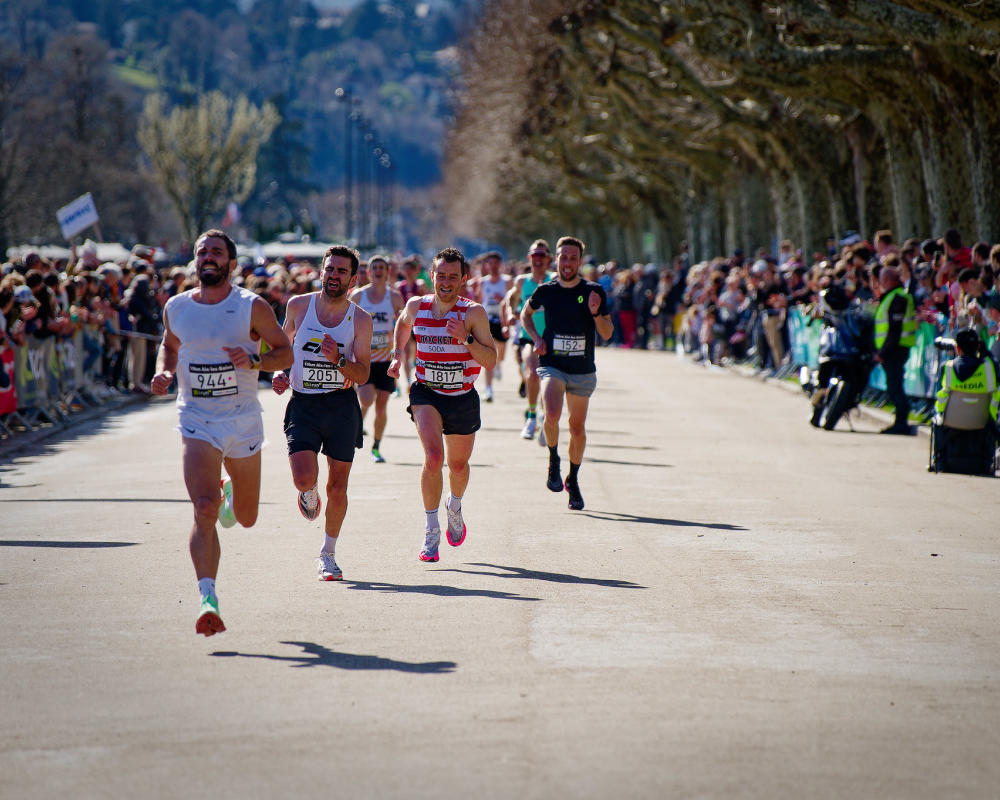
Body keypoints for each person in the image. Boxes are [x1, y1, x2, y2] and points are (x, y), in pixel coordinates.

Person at [151, 230, 293, 636]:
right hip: (196, 419)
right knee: (203, 509)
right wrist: (163, 371)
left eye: (217, 252)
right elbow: (170, 346)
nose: (208, 257)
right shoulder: (177, 306)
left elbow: (285, 352)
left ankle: (231, 491)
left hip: (243, 420)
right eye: (202, 252)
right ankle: (207, 597)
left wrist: (253, 358)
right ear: (195, 261)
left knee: (245, 519)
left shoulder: (252, 306)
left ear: (231, 263)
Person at [387, 247, 497, 562]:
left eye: (453, 277)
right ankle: (431, 531)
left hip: (462, 396)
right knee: (434, 458)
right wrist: (397, 354)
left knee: (458, 466)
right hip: (426, 392)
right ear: (432, 276)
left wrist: (467, 339)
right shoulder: (416, 305)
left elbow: (490, 361)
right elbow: (403, 324)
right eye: (441, 276)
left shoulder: (473, 313)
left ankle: (455, 505)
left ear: (463, 279)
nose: (446, 282)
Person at [271, 245, 372, 581]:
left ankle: (328, 554)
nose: (334, 276)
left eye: (342, 271)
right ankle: (308, 491)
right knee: (303, 477)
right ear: (322, 271)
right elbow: (281, 350)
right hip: (304, 403)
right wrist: (279, 373)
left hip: (341, 405)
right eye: (330, 269)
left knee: (338, 488)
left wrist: (339, 361)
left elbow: (363, 375)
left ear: (353, 279)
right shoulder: (299, 306)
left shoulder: (360, 319)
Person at [521, 236, 612, 511]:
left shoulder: (593, 290)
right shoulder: (546, 290)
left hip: (582, 369)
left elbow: (607, 333)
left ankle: (572, 478)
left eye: (573, 258)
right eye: (564, 257)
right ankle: (553, 459)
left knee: (576, 427)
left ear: (580, 262)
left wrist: (595, 313)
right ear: (556, 260)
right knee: (550, 413)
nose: (568, 262)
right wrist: (536, 338)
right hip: (553, 363)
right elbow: (525, 315)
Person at [350, 254, 403, 462]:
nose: (379, 270)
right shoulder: (357, 297)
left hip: (386, 361)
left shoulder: (395, 297)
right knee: (366, 399)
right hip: (365, 360)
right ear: (368, 272)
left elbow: (403, 325)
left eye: (382, 267)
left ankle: (376, 447)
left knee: (381, 406)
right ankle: (358, 423)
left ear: (387, 271)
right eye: (375, 267)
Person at [505, 240, 553, 440]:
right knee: (532, 373)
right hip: (529, 337)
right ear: (529, 258)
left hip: (552, 339)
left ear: (549, 259)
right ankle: (531, 416)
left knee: (549, 382)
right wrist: (510, 312)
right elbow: (510, 298)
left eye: (542, 256)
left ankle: (544, 417)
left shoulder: (555, 279)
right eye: (535, 256)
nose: (538, 259)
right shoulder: (522, 282)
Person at [874, 265, 916, 435]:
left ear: (886, 280)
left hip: (895, 349)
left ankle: (901, 423)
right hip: (895, 348)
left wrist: (883, 353)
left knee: (895, 386)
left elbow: (894, 330)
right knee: (894, 385)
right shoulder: (892, 296)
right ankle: (900, 422)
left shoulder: (897, 298)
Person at [934, 327, 1000, 426]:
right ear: (978, 346)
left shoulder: (947, 367)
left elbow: (940, 400)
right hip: (982, 424)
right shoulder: (990, 367)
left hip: (951, 424)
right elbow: (993, 360)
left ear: (957, 348)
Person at [474, 251, 512, 402]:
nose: (494, 266)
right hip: (487, 321)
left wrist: (502, 299)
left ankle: (498, 365)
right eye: (491, 263)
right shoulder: (482, 282)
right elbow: (479, 301)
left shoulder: (507, 281)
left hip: (501, 322)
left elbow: (513, 301)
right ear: (487, 265)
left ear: (500, 265)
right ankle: (488, 389)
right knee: (487, 354)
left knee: (500, 355)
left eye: (496, 263)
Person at [394, 259, 430, 386]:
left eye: (410, 269)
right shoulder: (399, 287)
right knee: (406, 352)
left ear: (415, 271)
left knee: (418, 351)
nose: (408, 272)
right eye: (406, 270)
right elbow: (395, 304)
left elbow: (430, 300)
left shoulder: (420, 284)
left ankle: (418, 374)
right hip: (406, 322)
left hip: (420, 323)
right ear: (402, 272)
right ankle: (409, 381)